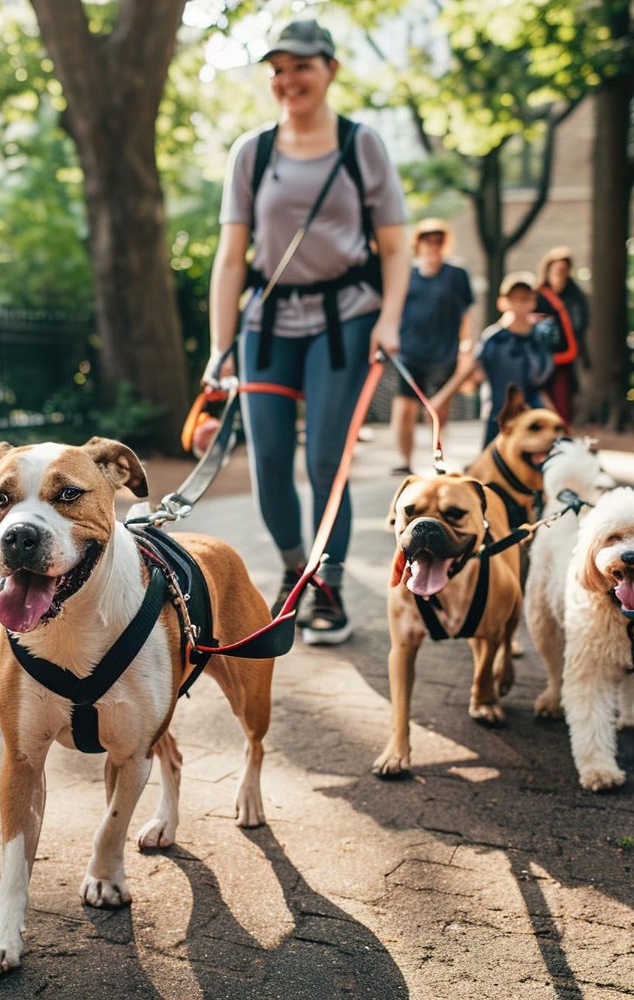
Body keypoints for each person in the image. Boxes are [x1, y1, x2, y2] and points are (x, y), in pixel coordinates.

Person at [206, 19, 409, 646]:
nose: (288, 79)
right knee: (268, 461)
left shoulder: (361, 144)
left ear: (330, 69)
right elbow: (231, 258)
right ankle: (296, 568)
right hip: (268, 324)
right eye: (278, 69)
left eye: (301, 66)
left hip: (345, 319)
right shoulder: (253, 151)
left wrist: (389, 320)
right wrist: (220, 347)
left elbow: (395, 246)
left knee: (326, 460)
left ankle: (328, 585)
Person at [391, 218, 474, 473]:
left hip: (444, 351)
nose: (433, 245)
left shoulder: (456, 274)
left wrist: (466, 344)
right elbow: (395, 308)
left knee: (437, 410)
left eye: (438, 241)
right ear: (419, 243)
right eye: (428, 240)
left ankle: (437, 460)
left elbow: (466, 313)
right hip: (410, 351)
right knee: (404, 409)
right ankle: (404, 461)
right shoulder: (408, 274)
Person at [450, 272, 555, 447]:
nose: (519, 304)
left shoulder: (540, 338)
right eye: (514, 299)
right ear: (503, 302)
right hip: (498, 415)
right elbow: (470, 370)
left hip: (532, 415)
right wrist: (444, 398)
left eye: (525, 299)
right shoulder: (494, 339)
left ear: (533, 301)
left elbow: (544, 380)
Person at [535, 246, 590, 423]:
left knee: (563, 403)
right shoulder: (537, 296)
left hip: (564, 360)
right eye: (557, 269)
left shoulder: (575, 296)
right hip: (539, 360)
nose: (560, 274)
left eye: (564, 270)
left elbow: (580, 325)